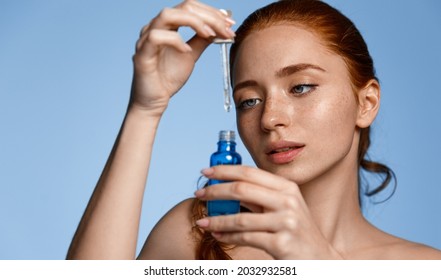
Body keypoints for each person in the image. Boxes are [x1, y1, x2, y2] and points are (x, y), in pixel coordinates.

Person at [66, 0, 441, 260]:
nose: (269, 118)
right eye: (249, 100)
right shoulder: (199, 237)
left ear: (367, 103)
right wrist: (146, 108)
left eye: (300, 87)